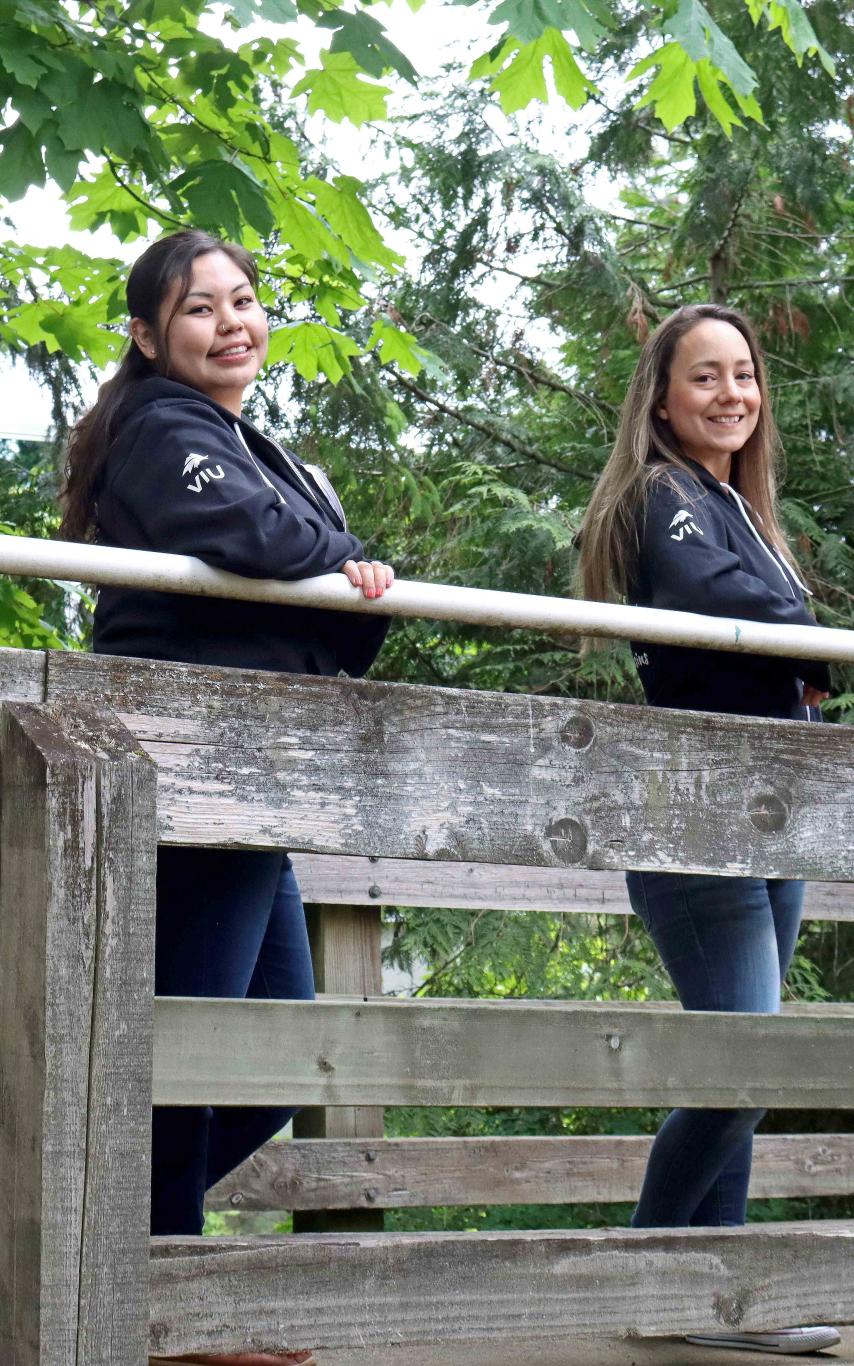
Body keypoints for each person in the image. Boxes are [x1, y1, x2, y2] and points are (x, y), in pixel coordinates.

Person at [61, 228, 395, 1366]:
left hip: (261, 777)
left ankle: (97, 1252)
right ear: (150, 336)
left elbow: (351, 630)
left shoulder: (256, 444)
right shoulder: (160, 427)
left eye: (243, 301)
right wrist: (329, 555)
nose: (230, 322)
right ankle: (148, 1304)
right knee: (193, 1056)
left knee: (266, 1059)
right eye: (199, 308)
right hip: (192, 769)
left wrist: (319, 569)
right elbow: (245, 538)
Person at [578, 303, 840, 1356]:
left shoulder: (743, 509)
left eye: (743, 374)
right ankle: (646, 1284)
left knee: (745, 1063)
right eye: (704, 377)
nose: (730, 393)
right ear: (661, 395)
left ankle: (712, 1297)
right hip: (693, 810)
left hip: (770, 813)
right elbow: (706, 600)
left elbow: (779, 652)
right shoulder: (663, 495)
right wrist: (814, 642)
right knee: (743, 1062)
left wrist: (803, 659)